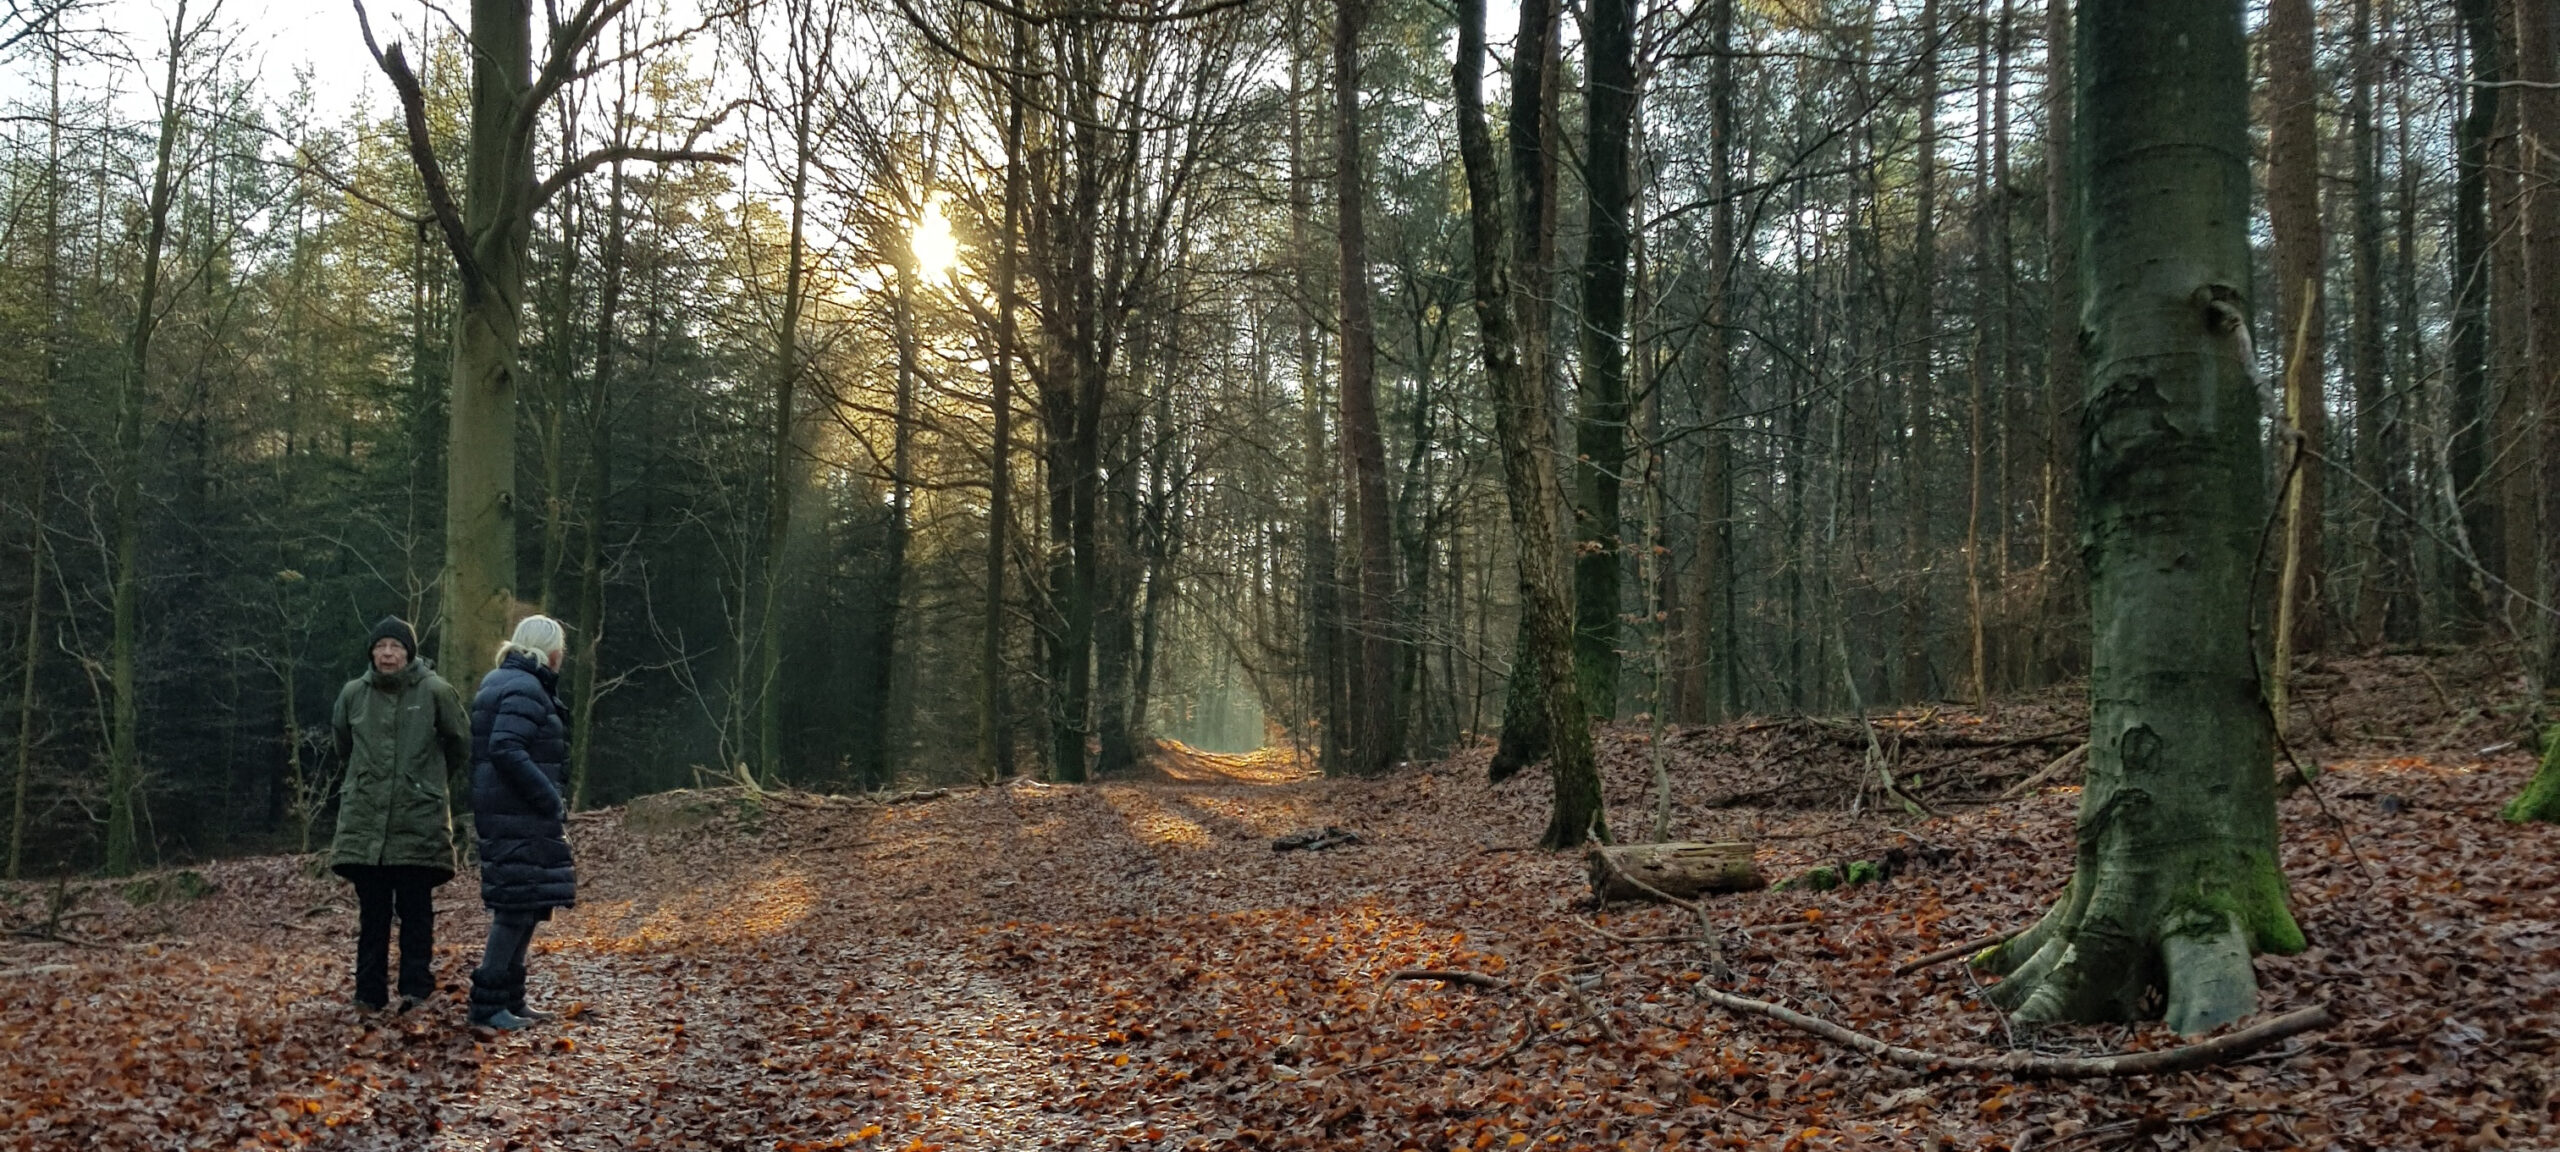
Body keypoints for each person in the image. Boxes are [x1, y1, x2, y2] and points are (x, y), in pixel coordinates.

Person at [329, 616, 469, 1013]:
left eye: (396, 646)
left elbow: (459, 743)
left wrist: (426, 782)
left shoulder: (436, 691)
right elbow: (344, 746)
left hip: (418, 820)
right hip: (366, 820)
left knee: (416, 912)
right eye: (381, 646)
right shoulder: (353, 694)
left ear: (409, 652)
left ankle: (415, 991)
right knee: (372, 914)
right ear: (371, 652)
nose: (388, 654)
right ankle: (368, 995)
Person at [466, 614, 577, 1030]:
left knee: (527, 904)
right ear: (550, 651)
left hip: (513, 814)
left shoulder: (508, 682)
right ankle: (487, 1007)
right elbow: (506, 749)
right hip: (517, 815)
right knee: (514, 910)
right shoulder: (525, 687)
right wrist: (548, 798)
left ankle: (509, 1001)